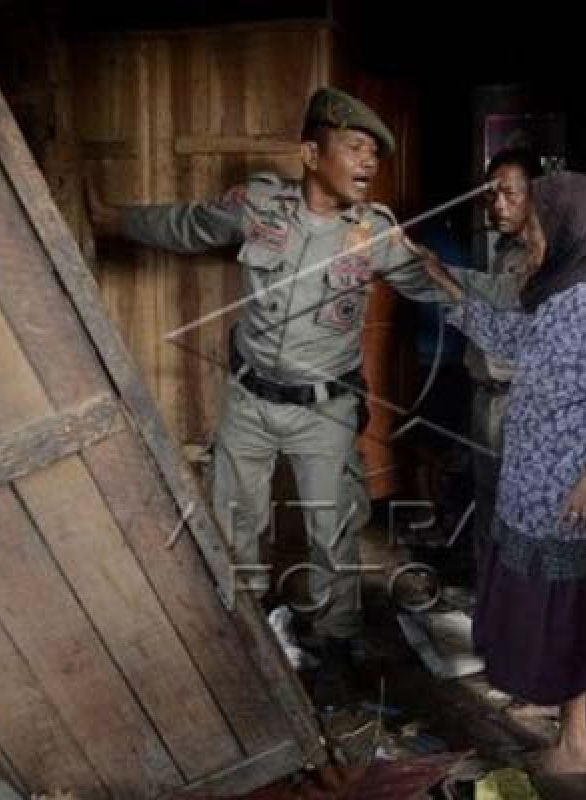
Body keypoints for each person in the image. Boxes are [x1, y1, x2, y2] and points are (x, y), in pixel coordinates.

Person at [86, 87, 444, 699]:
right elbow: (188, 224)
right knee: (235, 524)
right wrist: (113, 219)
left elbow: (439, 285)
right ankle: (246, 640)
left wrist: (523, 303)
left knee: (331, 529)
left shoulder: (374, 232)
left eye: (374, 156)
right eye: (354, 148)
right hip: (250, 403)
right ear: (311, 152)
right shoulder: (258, 209)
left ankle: (335, 644)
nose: (367, 163)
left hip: (325, 410)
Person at [414, 173, 586, 775]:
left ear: (566, 235)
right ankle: (557, 716)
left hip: (561, 506)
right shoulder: (557, 303)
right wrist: (444, 283)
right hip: (531, 500)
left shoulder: (584, 312)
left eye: (534, 231)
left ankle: (576, 745)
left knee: (566, 626)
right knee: (541, 621)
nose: (527, 242)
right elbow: (511, 337)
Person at [461, 149, 586, 570]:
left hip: (521, 403)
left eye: (510, 194)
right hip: (487, 398)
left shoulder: (558, 267)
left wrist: (438, 276)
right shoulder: (504, 252)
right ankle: (490, 599)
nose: (498, 204)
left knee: (525, 518)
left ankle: (517, 602)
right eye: (491, 194)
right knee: (488, 501)